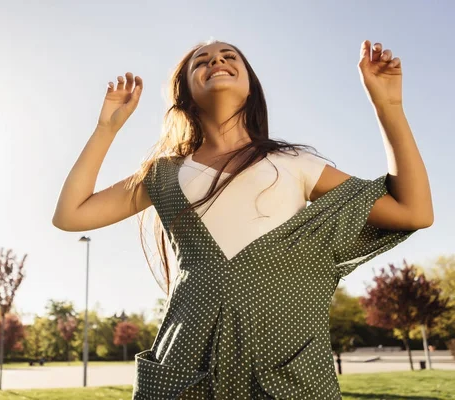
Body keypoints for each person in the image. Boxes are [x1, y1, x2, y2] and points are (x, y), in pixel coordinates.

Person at [52, 40, 433, 399]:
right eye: (201, 61)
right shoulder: (161, 175)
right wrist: (106, 128)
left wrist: (389, 106)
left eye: (229, 56)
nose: (216, 60)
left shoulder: (294, 163)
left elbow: (413, 211)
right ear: (185, 95)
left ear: (251, 86)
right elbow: (71, 215)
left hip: (287, 372)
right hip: (185, 369)